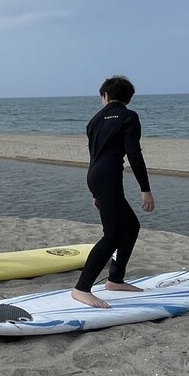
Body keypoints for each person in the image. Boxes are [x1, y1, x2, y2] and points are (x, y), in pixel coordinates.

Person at [71, 76, 156, 309]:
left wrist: (95, 192)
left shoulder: (94, 120)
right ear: (128, 98)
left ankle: (115, 279)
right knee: (112, 234)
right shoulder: (129, 117)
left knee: (130, 226)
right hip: (108, 178)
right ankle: (81, 288)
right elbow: (134, 154)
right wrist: (145, 189)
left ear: (105, 96)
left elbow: (94, 156)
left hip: (96, 177)